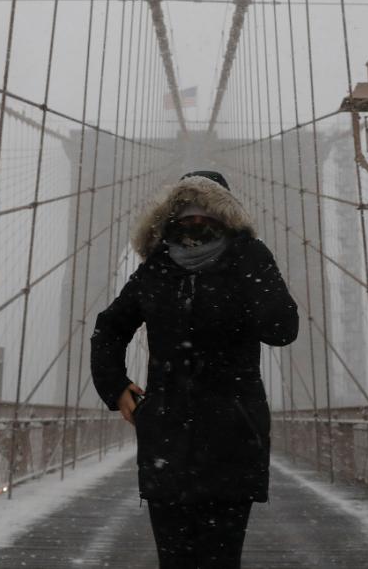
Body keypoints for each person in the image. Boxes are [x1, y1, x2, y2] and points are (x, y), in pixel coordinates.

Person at [91, 170, 299, 569]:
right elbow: (109, 330)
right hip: (167, 442)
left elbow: (281, 330)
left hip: (233, 440)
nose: (196, 219)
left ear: (228, 215)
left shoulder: (246, 259)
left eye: (207, 211)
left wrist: (250, 256)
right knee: (175, 561)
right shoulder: (157, 269)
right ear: (168, 215)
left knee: (221, 560)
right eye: (185, 210)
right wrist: (116, 386)